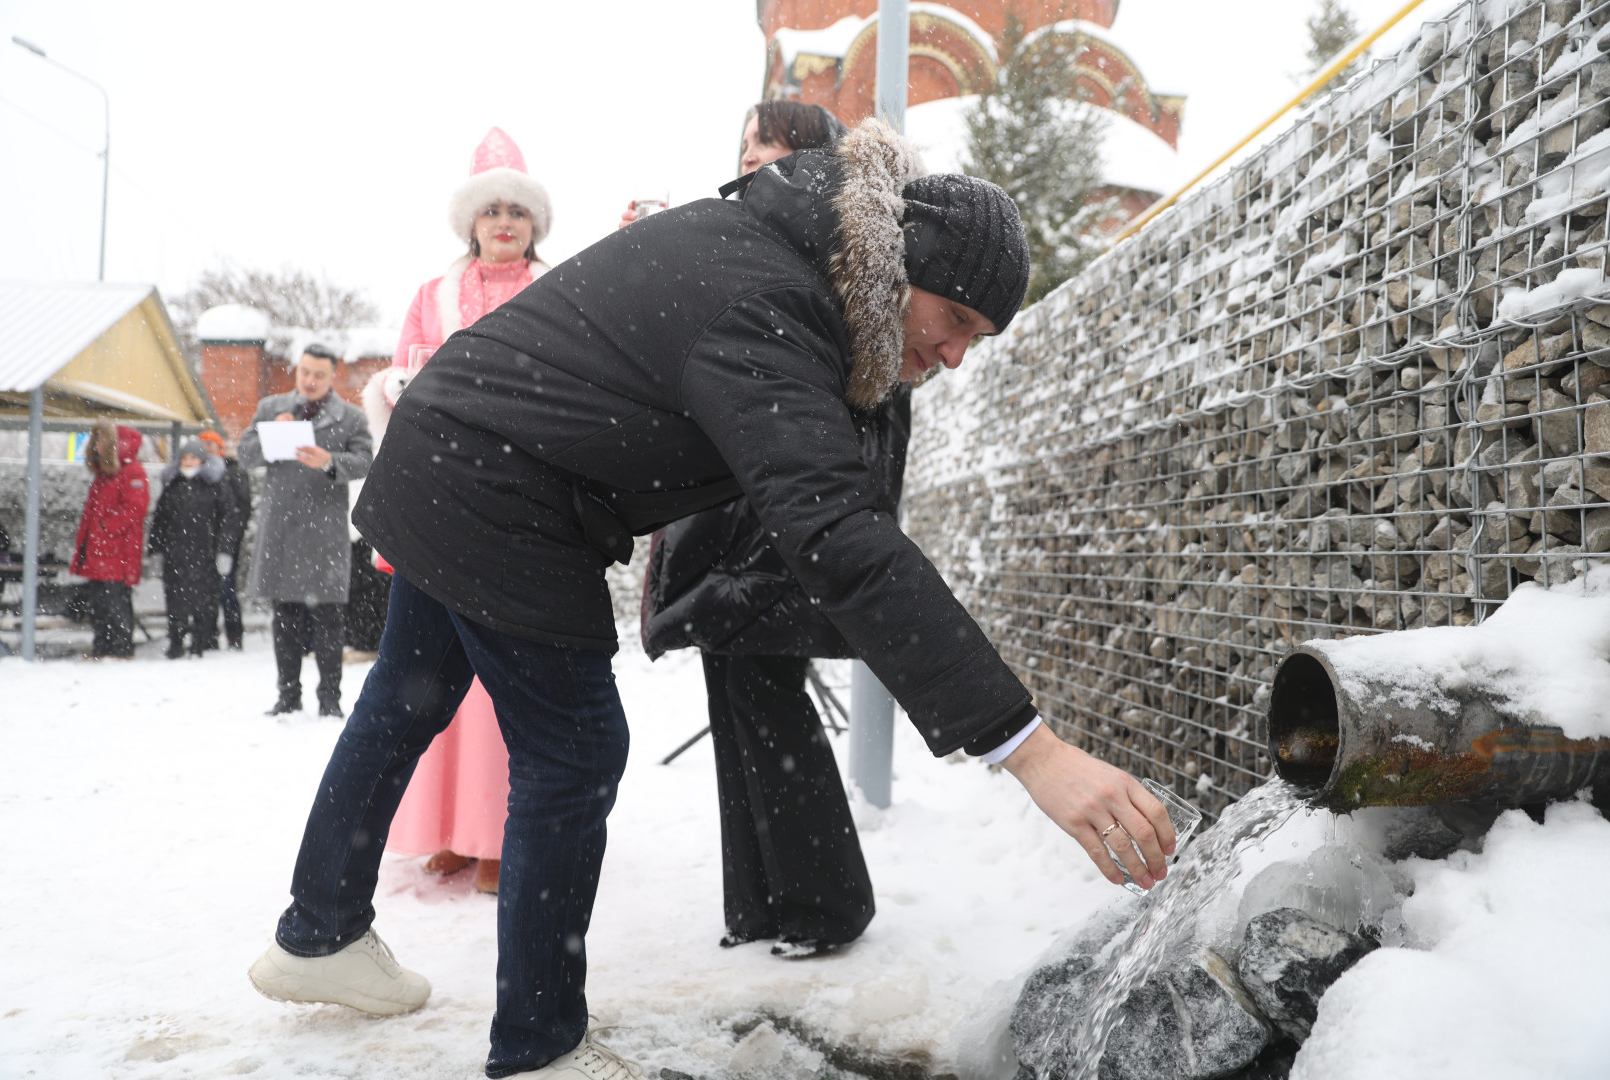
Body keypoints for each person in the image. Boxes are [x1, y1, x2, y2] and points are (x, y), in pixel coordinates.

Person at [249, 119, 1175, 1080]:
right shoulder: (774, 302)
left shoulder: (789, 253)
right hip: (499, 485)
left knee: (406, 697)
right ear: (911, 269)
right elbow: (842, 537)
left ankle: (319, 933)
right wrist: (1030, 748)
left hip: (450, 440)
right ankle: (539, 1047)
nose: (954, 359)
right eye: (959, 325)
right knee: (573, 751)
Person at [639, 99, 884, 956]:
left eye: (769, 145)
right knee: (739, 704)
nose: (752, 158)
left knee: (771, 710)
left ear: (812, 160)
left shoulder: (837, 260)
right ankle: (759, 903)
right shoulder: (745, 244)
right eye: (745, 144)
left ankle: (825, 905)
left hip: (775, 520)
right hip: (728, 519)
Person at [361, 125, 553, 895]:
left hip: (516, 503)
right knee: (438, 675)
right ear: (470, 221)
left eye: (517, 209)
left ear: (534, 222)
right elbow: (399, 376)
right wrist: (401, 387)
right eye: (490, 209)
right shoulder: (430, 295)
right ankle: (450, 829)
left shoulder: (556, 285)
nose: (503, 221)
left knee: (505, 674)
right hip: (442, 496)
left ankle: (503, 835)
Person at [237, 344, 373, 717]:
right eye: (305, 373)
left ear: (333, 377)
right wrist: (269, 437)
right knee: (285, 616)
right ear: (297, 372)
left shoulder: (350, 418)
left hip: (325, 532)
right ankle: (288, 696)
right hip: (282, 527)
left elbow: (365, 462)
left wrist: (330, 461)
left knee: (330, 619)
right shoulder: (271, 408)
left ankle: (330, 699)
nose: (310, 381)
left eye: (319, 375)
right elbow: (244, 456)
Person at [148, 439, 241, 658]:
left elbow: (228, 519)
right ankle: (177, 641)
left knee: (204, 601)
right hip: (176, 554)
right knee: (175, 600)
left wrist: (224, 550)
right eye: (184, 458)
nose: (188, 462)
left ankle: (203, 640)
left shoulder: (216, 486)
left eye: (193, 458)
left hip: (205, 553)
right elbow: (160, 521)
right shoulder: (173, 486)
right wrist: (156, 550)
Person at [70, 420, 149, 659]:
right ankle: (103, 648)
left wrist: (106, 529)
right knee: (100, 605)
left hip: (116, 552)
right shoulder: (105, 474)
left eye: (102, 441)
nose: (97, 446)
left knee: (115, 602)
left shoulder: (132, 471)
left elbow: (136, 507)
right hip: (100, 551)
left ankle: (121, 649)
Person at [199, 429, 251, 649]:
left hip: (226, 542)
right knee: (207, 591)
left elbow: (240, 510)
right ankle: (208, 635)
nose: (207, 451)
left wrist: (229, 540)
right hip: (204, 541)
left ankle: (234, 634)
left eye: (211, 446)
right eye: (203, 446)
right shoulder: (201, 474)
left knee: (226, 589)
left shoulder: (232, 472)